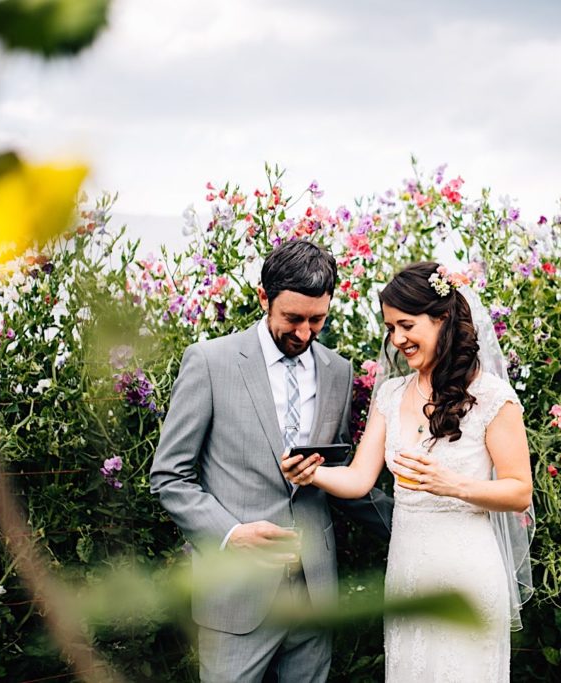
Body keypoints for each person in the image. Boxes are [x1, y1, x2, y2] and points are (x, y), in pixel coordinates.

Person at [150, 239, 393, 683]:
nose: (304, 332)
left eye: (317, 319)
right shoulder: (209, 362)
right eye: (293, 319)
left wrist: (417, 526)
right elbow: (170, 476)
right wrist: (230, 535)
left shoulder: (338, 370)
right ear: (263, 297)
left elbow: (341, 477)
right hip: (235, 595)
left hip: (314, 592)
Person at [281, 261, 534, 682]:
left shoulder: (493, 397)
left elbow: (519, 491)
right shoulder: (392, 393)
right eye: (390, 328)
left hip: (466, 570)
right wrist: (310, 474)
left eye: (406, 325)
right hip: (409, 569)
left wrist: (452, 485)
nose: (397, 340)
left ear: (443, 319)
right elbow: (360, 477)